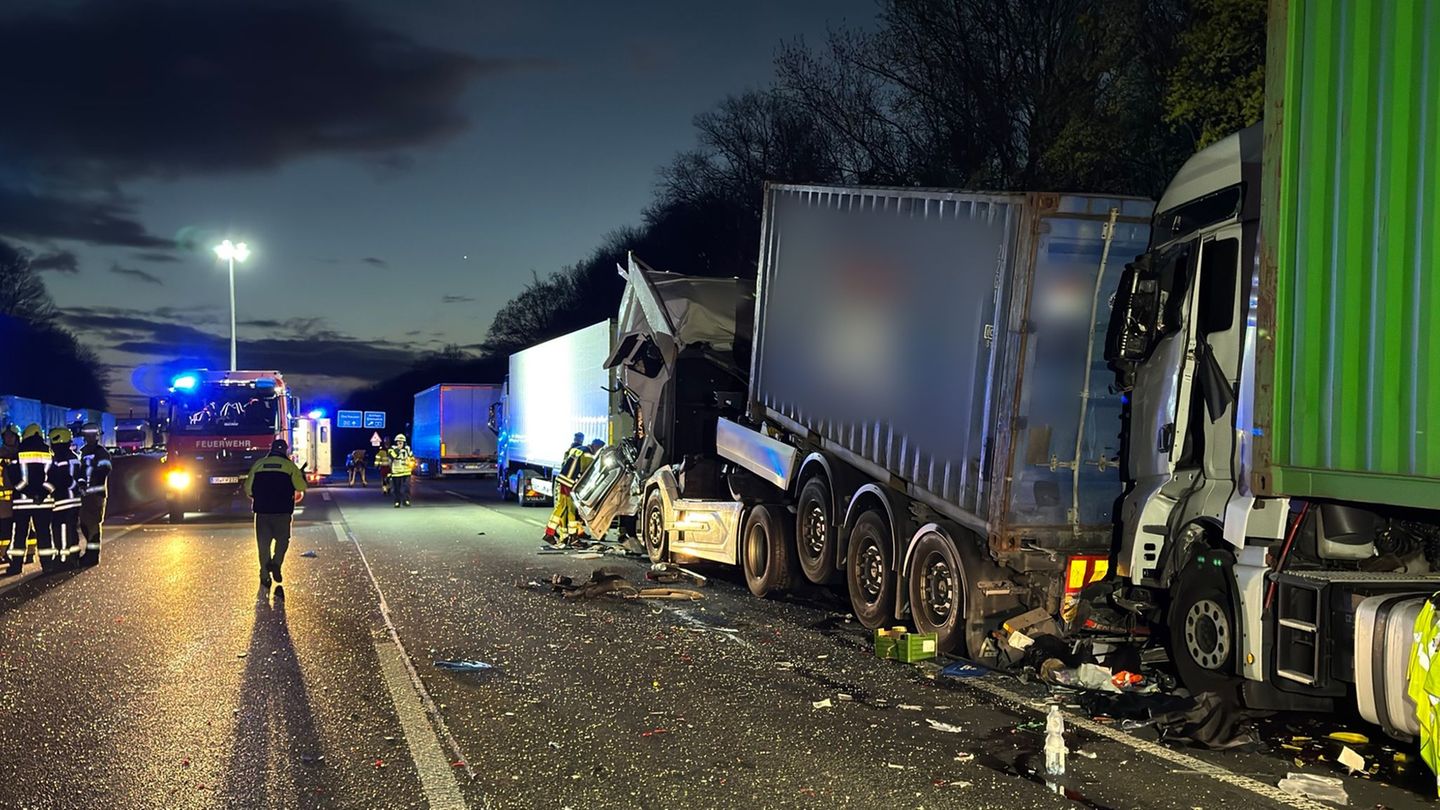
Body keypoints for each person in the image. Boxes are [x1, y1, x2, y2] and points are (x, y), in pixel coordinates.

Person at [243, 439, 307, 589]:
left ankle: (264, 575)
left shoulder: (258, 464)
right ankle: (276, 563)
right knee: (283, 541)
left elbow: (248, 489)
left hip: (262, 512)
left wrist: (258, 497)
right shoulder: (289, 466)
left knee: (263, 545)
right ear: (285, 450)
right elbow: (301, 486)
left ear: (271, 449)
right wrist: (300, 476)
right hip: (283, 512)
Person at [7, 425, 51, 575]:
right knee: (44, 533)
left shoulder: (18, 453)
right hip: (43, 502)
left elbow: (13, 477)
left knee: (19, 535)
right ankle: (47, 564)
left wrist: (28, 492)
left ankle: (16, 565)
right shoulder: (48, 452)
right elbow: (54, 477)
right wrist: (42, 493)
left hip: (22, 503)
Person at [544, 438, 602, 545]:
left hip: (563, 480)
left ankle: (559, 534)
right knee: (568, 509)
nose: (597, 452)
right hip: (570, 483)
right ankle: (559, 535)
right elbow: (586, 472)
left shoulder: (578, 449)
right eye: (598, 449)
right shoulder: (588, 454)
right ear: (595, 446)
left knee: (564, 508)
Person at [47, 427, 83, 569]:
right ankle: (74, 556)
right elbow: (79, 477)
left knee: (60, 529)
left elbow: (58, 479)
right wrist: (76, 487)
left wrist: (45, 492)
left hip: (62, 500)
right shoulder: (74, 457)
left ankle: (63, 559)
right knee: (71, 529)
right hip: (74, 500)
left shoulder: (59, 459)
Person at [77, 422, 112, 566]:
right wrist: (81, 483)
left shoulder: (101, 452)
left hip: (95, 495)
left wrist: (91, 483)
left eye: (92, 435)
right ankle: (89, 553)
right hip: (86, 495)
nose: (90, 438)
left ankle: (92, 556)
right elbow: (80, 471)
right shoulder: (83, 451)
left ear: (96, 436)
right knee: (85, 524)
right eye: (88, 435)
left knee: (92, 525)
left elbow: (105, 470)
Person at [0, 427, 17, 573]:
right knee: (4, 530)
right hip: (4, 501)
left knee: (22, 528)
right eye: (6, 437)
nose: (9, 439)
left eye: (11, 436)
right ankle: (3, 554)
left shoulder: (20, 453)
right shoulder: (1, 454)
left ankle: (28, 553)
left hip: (19, 499)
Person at [388, 434, 414, 507]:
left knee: (406, 487)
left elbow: (412, 457)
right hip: (396, 472)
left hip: (406, 472)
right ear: (396, 442)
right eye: (398, 442)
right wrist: (398, 449)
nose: (400, 443)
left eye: (401, 442)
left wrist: (410, 462)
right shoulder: (392, 449)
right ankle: (397, 502)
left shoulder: (408, 449)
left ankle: (406, 501)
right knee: (396, 488)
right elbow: (392, 456)